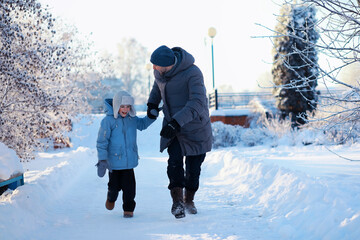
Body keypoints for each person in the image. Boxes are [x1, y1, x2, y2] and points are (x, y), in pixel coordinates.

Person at [147, 45, 212, 219]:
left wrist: (176, 122)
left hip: (195, 127)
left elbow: (198, 102)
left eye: (156, 65)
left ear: (168, 64)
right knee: (174, 163)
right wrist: (152, 104)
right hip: (173, 127)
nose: (153, 68)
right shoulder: (159, 73)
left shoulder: (193, 73)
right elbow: (157, 88)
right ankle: (177, 203)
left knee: (193, 170)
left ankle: (189, 200)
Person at [96, 90, 156, 218]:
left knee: (130, 189)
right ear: (117, 106)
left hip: (129, 163)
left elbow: (143, 124)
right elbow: (102, 142)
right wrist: (102, 160)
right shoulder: (108, 121)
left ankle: (128, 209)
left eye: (128, 106)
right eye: (122, 106)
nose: (125, 109)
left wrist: (152, 116)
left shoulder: (131, 119)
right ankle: (111, 198)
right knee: (114, 188)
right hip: (114, 163)